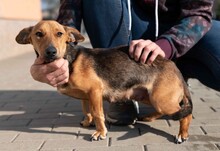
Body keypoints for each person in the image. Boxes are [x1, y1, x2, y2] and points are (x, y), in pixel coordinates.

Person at [31, 0, 220, 125]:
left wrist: (167, 44)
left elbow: (200, 13)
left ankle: (170, 82)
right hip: (124, 35)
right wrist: (53, 58)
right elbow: (68, 14)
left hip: (186, 26)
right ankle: (120, 93)